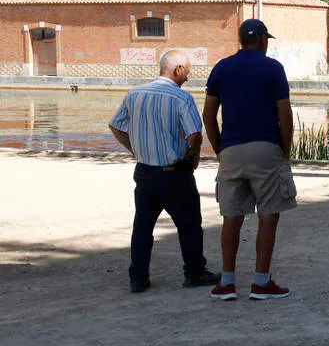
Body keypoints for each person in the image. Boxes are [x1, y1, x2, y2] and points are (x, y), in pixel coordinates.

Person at [109, 50, 220, 293]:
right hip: (174, 173)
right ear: (178, 69)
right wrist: (194, 158)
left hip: (144, 171)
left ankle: (138, 278)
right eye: (187, 73)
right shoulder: (181, 98)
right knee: (189, 224)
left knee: (143, 226)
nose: (187, 78)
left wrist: (135, 149)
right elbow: (194, 135)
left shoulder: (134, 94)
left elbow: (116, 125)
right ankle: (194, 272)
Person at [203, 19, 297, 301]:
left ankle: (227, 283)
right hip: (266, 149)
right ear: (264, 41)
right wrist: (285, 148)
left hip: (231, 151)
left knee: (231, 217)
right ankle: (260, 282)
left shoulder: (221, 67)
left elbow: (208, 114)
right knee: (268, 216)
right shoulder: (273, 68)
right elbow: (285, 113)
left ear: (241, 40)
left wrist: (220, 148)